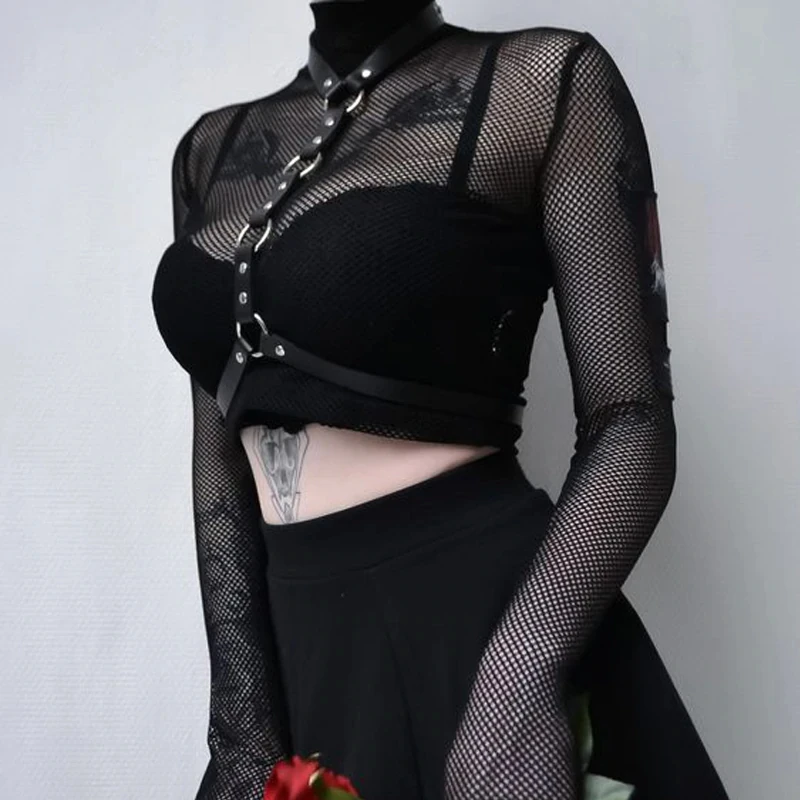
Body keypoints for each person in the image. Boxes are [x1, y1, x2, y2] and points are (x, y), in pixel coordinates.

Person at [151, 1, 730, 798]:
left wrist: (519, 683)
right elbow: (218, 460)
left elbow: (628, 420)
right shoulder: (210, 151)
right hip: (303, 653)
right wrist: (242, 726)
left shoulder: (542, 81)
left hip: (483, 637)